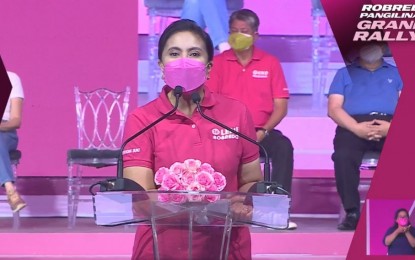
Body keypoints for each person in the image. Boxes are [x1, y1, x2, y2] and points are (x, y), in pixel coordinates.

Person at [123, 19, 263, 260]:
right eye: (174, 53)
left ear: (209, 67)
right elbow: (142, 197)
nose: (184, 61)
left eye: (194, 53)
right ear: (161, 65)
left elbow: (250, 179)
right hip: (160, 248)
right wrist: (206, 208)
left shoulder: (236, 113)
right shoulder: (142, 119)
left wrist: (245, 203)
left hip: (226, 246)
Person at [205, 9, 295, 228]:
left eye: (243, 31)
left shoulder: (270, 62)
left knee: (284, 148)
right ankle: (216, 209)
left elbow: (281, 106)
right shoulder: (217, 63)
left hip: (261, 131)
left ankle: (277, 211)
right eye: (233, 31)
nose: (237, 35)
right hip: (226, 132)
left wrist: (263, 131)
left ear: (255, 34)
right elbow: (209, 102)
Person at [328, 42, 403, 230]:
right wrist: (356, 128)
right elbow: (334, 108)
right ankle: (352, 212)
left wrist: (392, 128)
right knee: (343, 156)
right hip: (353, 126)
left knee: (405, 153)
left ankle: (393, 212)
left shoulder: (398, 73)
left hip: (390, 124)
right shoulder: (343, 73)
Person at [0, 71, 26, 213]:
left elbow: (16, 120)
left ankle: (10, 189)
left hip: (5, 132)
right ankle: (11, 190)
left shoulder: (11, 78)